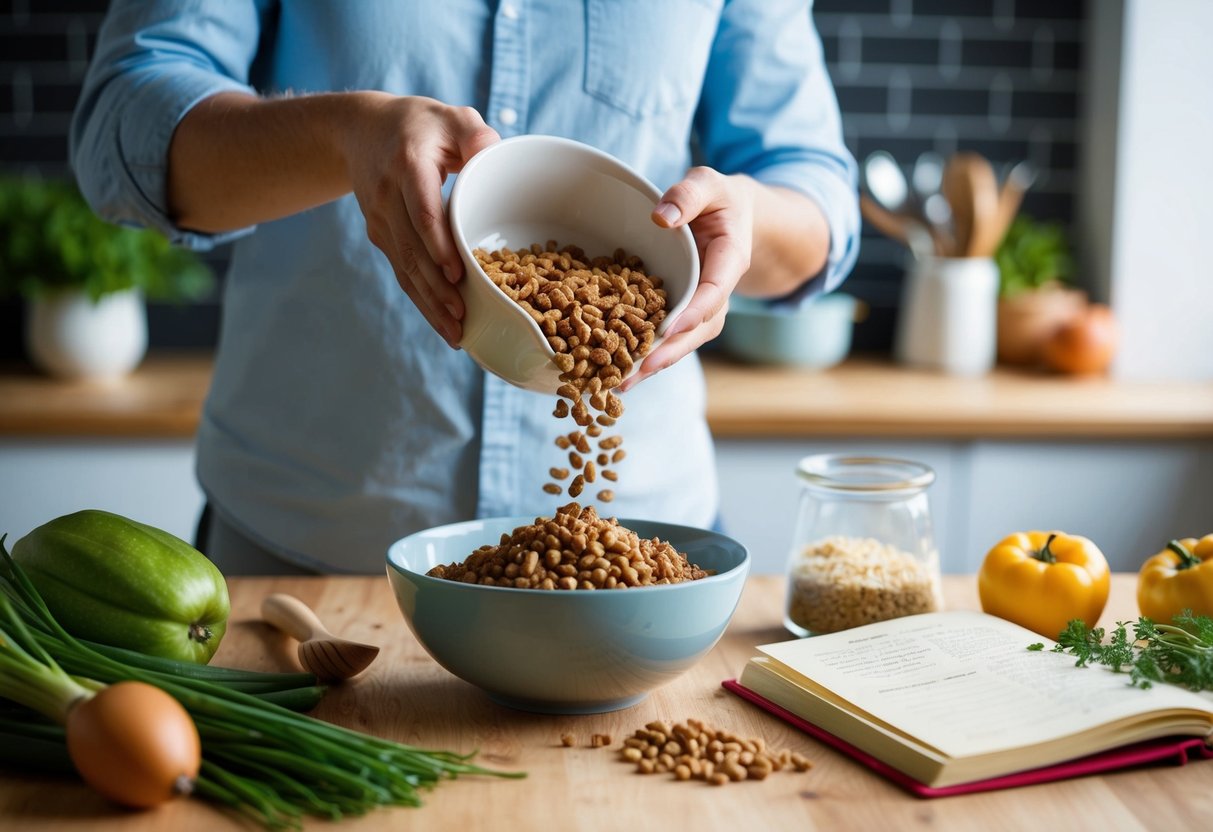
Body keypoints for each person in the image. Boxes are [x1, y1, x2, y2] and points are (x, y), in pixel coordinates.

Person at [71, 1, 859, 575]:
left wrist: (748, 215)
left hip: (637, 559)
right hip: (306, 561)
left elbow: (814, 189)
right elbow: (120, 127)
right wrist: (342, 136)